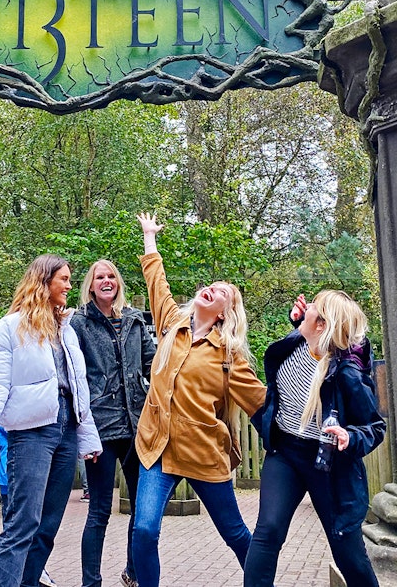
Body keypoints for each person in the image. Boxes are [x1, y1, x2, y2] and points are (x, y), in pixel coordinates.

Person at [131, 213, 267, 587]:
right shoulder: (172, 324)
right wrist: (149, 237)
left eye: (221, 292)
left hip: (204, 453)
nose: (211, 289)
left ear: (225, 312)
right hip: (157, 448)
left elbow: (260, 402)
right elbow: (156, 281)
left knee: (235, 533)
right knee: (144, 530)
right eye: (211, 285)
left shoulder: (229, 355)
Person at [0, 254, 102, 587]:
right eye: (64, 279)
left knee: (48, 526)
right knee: (23, 523)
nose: (69, 286)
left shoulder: (66, 329)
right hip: (31, 433)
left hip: (67, 430)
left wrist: (88, 438)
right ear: (44, 281)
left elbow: (78, 388)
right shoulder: (9, 327)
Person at [244, 291, 386, 587]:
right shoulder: (296, 343)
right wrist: (300, 322)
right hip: (285, 453)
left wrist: (350, 436)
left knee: (347, 552)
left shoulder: (347, 373)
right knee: (268, 531)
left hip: (328, 464)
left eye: (313, 307)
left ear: (321, 324)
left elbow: (374, 427)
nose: (305, 306)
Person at [71, 259, 157, 587]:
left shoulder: (134, 319)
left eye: (111, 276)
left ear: (118, 282)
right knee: (99, 511)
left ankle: (133, 573)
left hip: (136, 427)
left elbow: (152, 365)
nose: (106, 281)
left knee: (141, 508)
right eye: (99, 277)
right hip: (101, 428)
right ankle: (90, 582)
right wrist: (81, 425)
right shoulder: (80, 323)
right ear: (91, 286)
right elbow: (73, 374)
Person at [0, 425, 60, 587]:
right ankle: (27, 570)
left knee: (12, 524)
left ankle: (29, 570)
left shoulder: (0, 429)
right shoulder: (25, 431)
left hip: (7, 481)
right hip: (25, 480)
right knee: (22, 527)